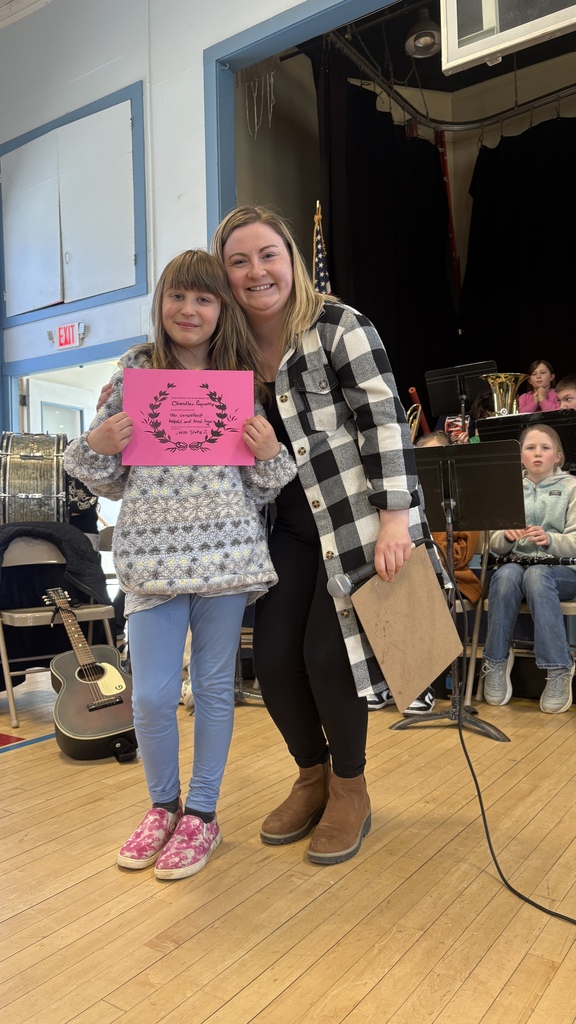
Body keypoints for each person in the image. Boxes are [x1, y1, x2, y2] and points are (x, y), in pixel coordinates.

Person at [211, 204, 440, 865]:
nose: (257, 271)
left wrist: (397, 518)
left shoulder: (340, 325)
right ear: (227, 275)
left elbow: (386, 422)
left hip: (358, 521)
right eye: (239, 260)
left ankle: (350, 787)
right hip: (284, 524)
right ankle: (309, 776)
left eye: (268, 255)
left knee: (326, 655)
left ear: (290, 259)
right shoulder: (228, 352)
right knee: (275, 660)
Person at [63, 249, 296, 881]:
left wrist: (270, 452)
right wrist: (93, 444)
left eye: (205, 299)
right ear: (160, 303)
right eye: (178, 297)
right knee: (154, 695)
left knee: (217, 689)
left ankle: (201, 814)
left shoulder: (240, 377)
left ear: (222, 310)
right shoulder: (131, 374)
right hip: (153, 564)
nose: (189, 311)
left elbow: (266, 484)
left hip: (225, 559)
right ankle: (161, 805)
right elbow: (104, 479)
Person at [481, 424, 576, 714]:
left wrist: (550, 540)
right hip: (516, 566)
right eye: (530, 448)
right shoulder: (507, 488)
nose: (537, 453)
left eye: (545, 448)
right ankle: (495, 662)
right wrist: (505, 538)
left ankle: (559, 669)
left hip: (562, 571)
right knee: (506, 575)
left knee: (537, 575)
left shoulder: (572, 487)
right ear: (519, 456)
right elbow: (491, 543)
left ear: (557, 456)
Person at [415, 432, 482, 603]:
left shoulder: (462, 498)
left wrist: (431, 558)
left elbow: (463, 552)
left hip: (454, 578)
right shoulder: (413, 499)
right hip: (416, 574)